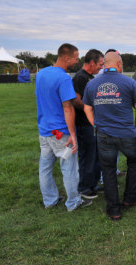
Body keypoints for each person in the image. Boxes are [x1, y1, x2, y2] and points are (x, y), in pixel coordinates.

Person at [83, 52, 136, 221]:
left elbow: (87, 108)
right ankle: (130, 199)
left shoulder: (92, 84)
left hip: (104, 135)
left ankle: (114, 210)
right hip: (127, 133)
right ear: (119, 64)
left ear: (104, 64)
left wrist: (96, 125)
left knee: (109, 170)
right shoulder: (128, 82)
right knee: (134, 163)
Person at [35, 43, 92, 211]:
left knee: (44, 168)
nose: (77, 60)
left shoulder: (41, 74)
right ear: (67, 58)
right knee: (70, 169)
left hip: (44, 130)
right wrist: (72, 135)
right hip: (61, 132)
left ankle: (50, 200)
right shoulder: (64, 78)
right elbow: (68, 107)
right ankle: (73, 203)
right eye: (76, 57)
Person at [72, 49, 104, 199]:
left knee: (96, 155)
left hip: (93, 123)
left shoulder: (91, 77)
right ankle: (84, 188)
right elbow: (76, 101)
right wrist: (91, 106)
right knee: (87, 157)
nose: (101, 67)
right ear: (92, 63)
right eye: (100, 64)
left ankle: (93, 184)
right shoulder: (80, 77)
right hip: (84, 124)